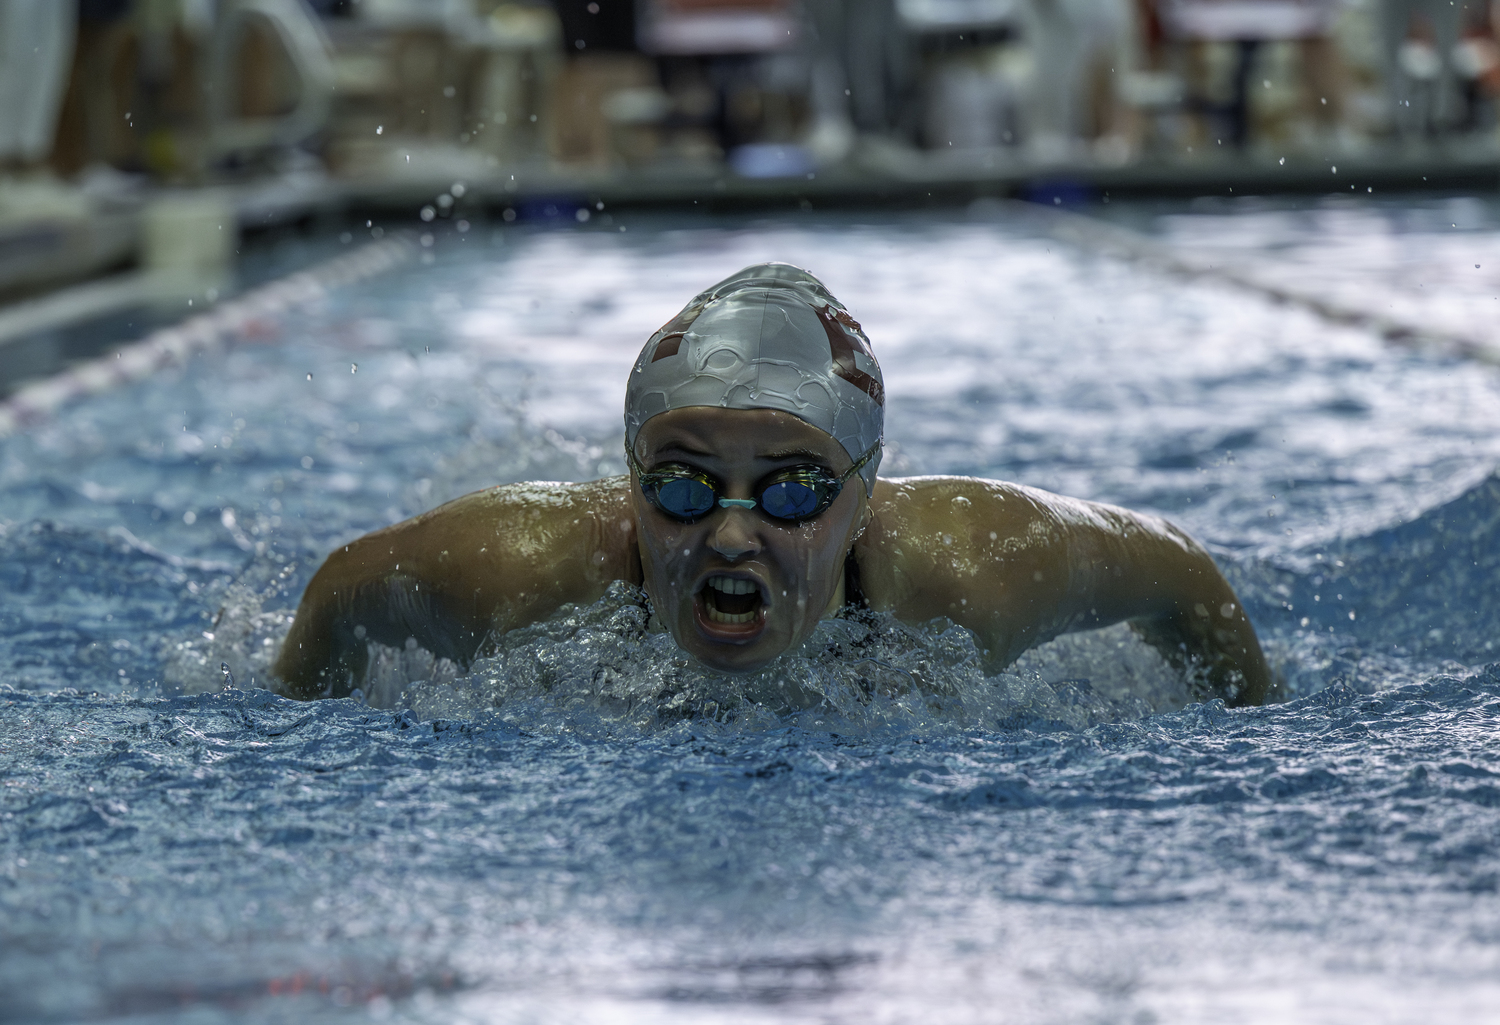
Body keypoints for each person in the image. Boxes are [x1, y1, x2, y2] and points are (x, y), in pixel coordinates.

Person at [273, 263, 1271, 705]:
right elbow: (340, 590)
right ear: (629, 483)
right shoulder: (517, 573)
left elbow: (1179, 571)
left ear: (865, 495)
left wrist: (1255, 723)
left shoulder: (973, 569)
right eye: (682, 486)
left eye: (793, 491)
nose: (731, 535)